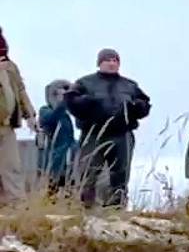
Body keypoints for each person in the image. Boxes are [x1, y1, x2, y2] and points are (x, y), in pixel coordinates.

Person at [66, 48, 151, 208]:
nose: (112, 63)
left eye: (115, 60)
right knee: (88, 174)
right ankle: (86, 209)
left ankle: (117, 209)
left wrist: (138, 107)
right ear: (100, 63)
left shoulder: (129, 85)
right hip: (93, 135)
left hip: (121, 135)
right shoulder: (85, 82)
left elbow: (145, 103)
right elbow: (70, 100)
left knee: (120, 175)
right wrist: (84, 103)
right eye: (108, 60)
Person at [0, 29, 30, 200]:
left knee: (12, 167)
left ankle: (17, 207)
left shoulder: (10, 67)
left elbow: (20, 90)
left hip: (7, 126)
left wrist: (30, 114)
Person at [36, 80, 76, 196]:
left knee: (68, 187)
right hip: (53, 156)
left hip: (68, 156)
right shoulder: (45, 110)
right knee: (52, 187)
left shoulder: (66, 115)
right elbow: (49, 120)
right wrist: (63, 102)